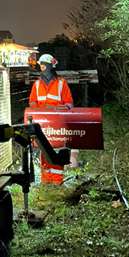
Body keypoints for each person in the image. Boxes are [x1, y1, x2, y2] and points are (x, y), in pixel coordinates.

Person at [28, 53, 76, 184]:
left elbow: (69, 104)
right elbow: (32, 102)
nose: (42, 67)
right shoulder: (37, 85)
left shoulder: (61, 83)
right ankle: (46, 182)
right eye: (41, 65)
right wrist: (40, 110)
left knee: (58, 151)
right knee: (44, 151)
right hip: (43, 125)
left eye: (44, 64)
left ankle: (56, 182)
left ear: (50, 66)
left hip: (58, 126)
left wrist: (54, 109)